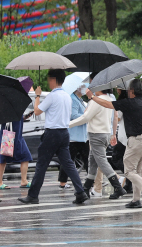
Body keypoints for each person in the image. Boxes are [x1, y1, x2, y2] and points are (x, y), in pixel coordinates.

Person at [85, 79, 142, 209]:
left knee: (129, 171)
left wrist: (92, 97)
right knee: (138, 171)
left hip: (137, 140)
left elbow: (108, 104)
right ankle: (136, 200)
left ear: (132, 91)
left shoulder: (129, 103)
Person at [19, 70, 88, 205]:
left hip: (52, 134)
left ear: (54, 79)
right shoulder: (67, 96)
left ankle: (33, 195)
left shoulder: (52, 96)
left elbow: (38, 111)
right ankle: (80, 192)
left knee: (41, 165)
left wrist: (37, 96)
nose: (48, 82)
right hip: (64, 133)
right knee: (68, 164)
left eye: (49, 79)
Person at [69, 86, 125, 200]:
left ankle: (118, 187)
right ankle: (86, 188)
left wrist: (68, 124)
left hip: (96, 134)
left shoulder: (96, 101)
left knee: (102, 162)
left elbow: (86, 117)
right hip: (105, 134)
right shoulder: (109, 99)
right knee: (93, 161)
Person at [59, 85, 89, 190]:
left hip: (81, 135)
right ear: (78, 88)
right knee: (68, 160)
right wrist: (86, 115)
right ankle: (62, 182)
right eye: (84, 86)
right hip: (73, 136)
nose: (86, 88)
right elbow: (73, 116)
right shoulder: (73, 99)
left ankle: (92, 180)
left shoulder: (79, 99)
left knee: (86, 159)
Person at [0, 116, 33, 190]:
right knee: (3, 160)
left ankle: (24, 181)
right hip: (8, 136)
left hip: (18, 137)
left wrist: (24, 117)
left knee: (26, 157)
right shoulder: (7, 110)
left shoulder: (17, 110)